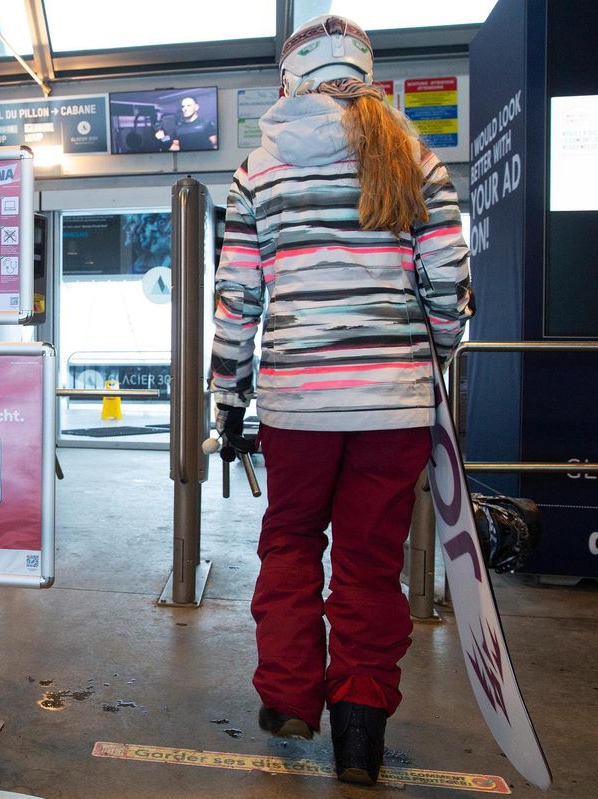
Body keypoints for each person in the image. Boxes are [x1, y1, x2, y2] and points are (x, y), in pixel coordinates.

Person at [207, 14, 472, 785]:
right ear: (366, 73)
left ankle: (291, 694)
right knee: (369, 562)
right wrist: (435, 355)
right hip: (395, 402)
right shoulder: (413, 157)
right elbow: (449, 280)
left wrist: (228, 393)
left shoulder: (259, 169)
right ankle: (360, 733)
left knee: (290, 540)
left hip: (299, 404)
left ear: (290, 80)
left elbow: (236, 297)